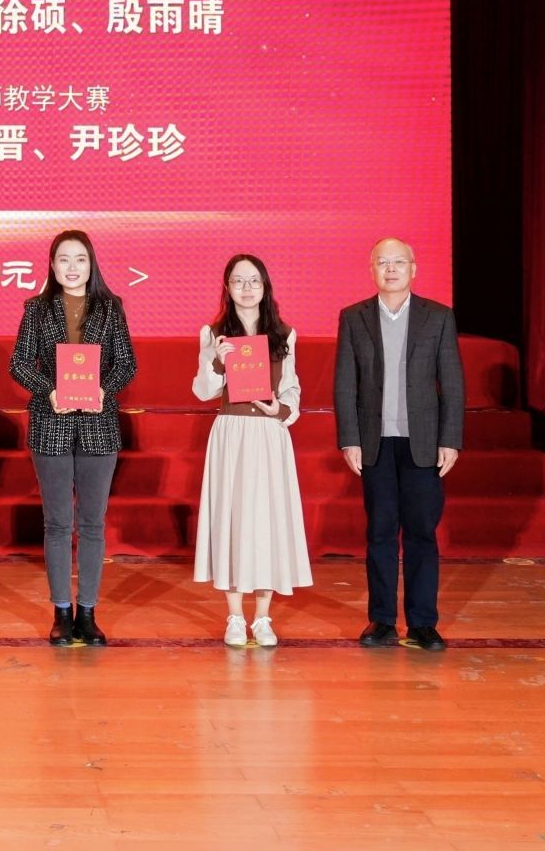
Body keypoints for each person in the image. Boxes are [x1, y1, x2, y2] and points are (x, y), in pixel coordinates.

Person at [333, 237, 465, 651]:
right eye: (382, 262)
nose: (391, 269)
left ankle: (423, 623)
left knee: (422, 532)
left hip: (422, 442)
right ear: (371, 269)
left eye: (399, 262)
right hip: (375, 443)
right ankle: (382, 620)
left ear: (413, 268)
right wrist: (349, 439)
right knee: (380, 532)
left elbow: (452, 382)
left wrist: (450, 439)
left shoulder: (438, 316)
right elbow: (345, 383)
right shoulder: (354, 317)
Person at [8, 229, 137, 646]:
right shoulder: (36, 309)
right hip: (52, 422)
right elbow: (19, 362)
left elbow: (127, 364)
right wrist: (49, 390)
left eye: (80, 259)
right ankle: (62, 612)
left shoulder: (111, 308)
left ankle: (88, 612)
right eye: (63, 259)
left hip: (99, 423)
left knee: (93, 523)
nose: (72, 267)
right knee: (58, 523)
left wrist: (103, 390)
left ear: (91, 264)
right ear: (52, 264)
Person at [192, 254, 312, 645]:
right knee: (233, 518)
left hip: (268, 435)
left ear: (265, 286)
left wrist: (281, 409)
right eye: (238, 281)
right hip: (231, 433)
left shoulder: (284, 334)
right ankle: (234, 616)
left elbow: (291, 388)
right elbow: (204, 391)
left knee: (266, 521)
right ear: (227, 287)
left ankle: (262, 617)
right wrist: (216, 362)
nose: (247, 288)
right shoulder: (214, 334)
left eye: (254, 281)